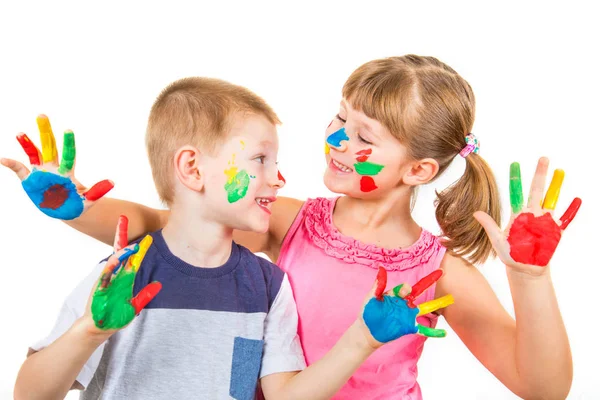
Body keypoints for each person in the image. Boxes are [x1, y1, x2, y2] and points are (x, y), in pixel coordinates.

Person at [3, 55, 578, 399]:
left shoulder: (438, 270)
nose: (337, 142)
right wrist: (76, 210)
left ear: (420, 169)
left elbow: (542, 387)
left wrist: (530, 278)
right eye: (340, 119)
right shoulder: (291, 219)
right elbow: (165, 224)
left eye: (364, 137)